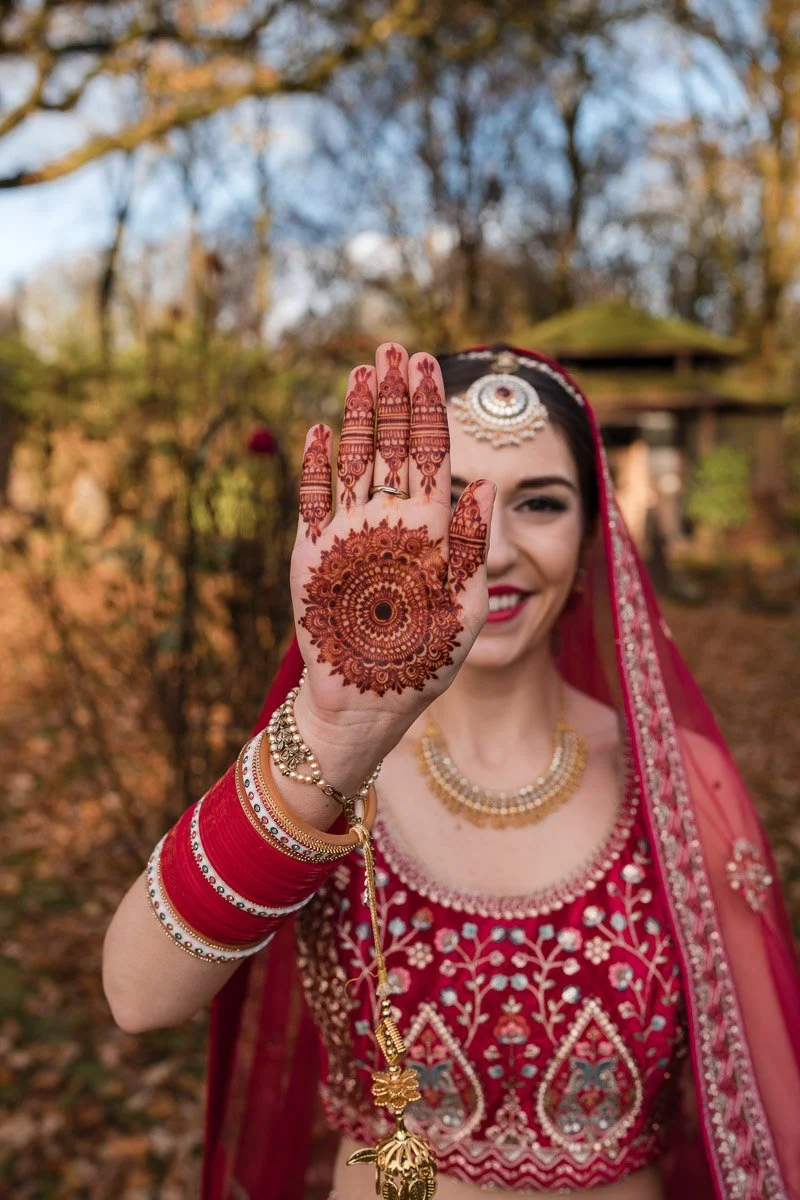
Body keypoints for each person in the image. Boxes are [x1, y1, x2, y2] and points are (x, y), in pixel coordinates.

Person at [103, 343, 800, 1200]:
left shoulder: (680, 781)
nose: (493, 548)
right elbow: (137, 997)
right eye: (453, 500)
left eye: (540, 503)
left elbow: (766, 1114)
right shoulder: (332, 774)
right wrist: (335, 734)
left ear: (592, 540)